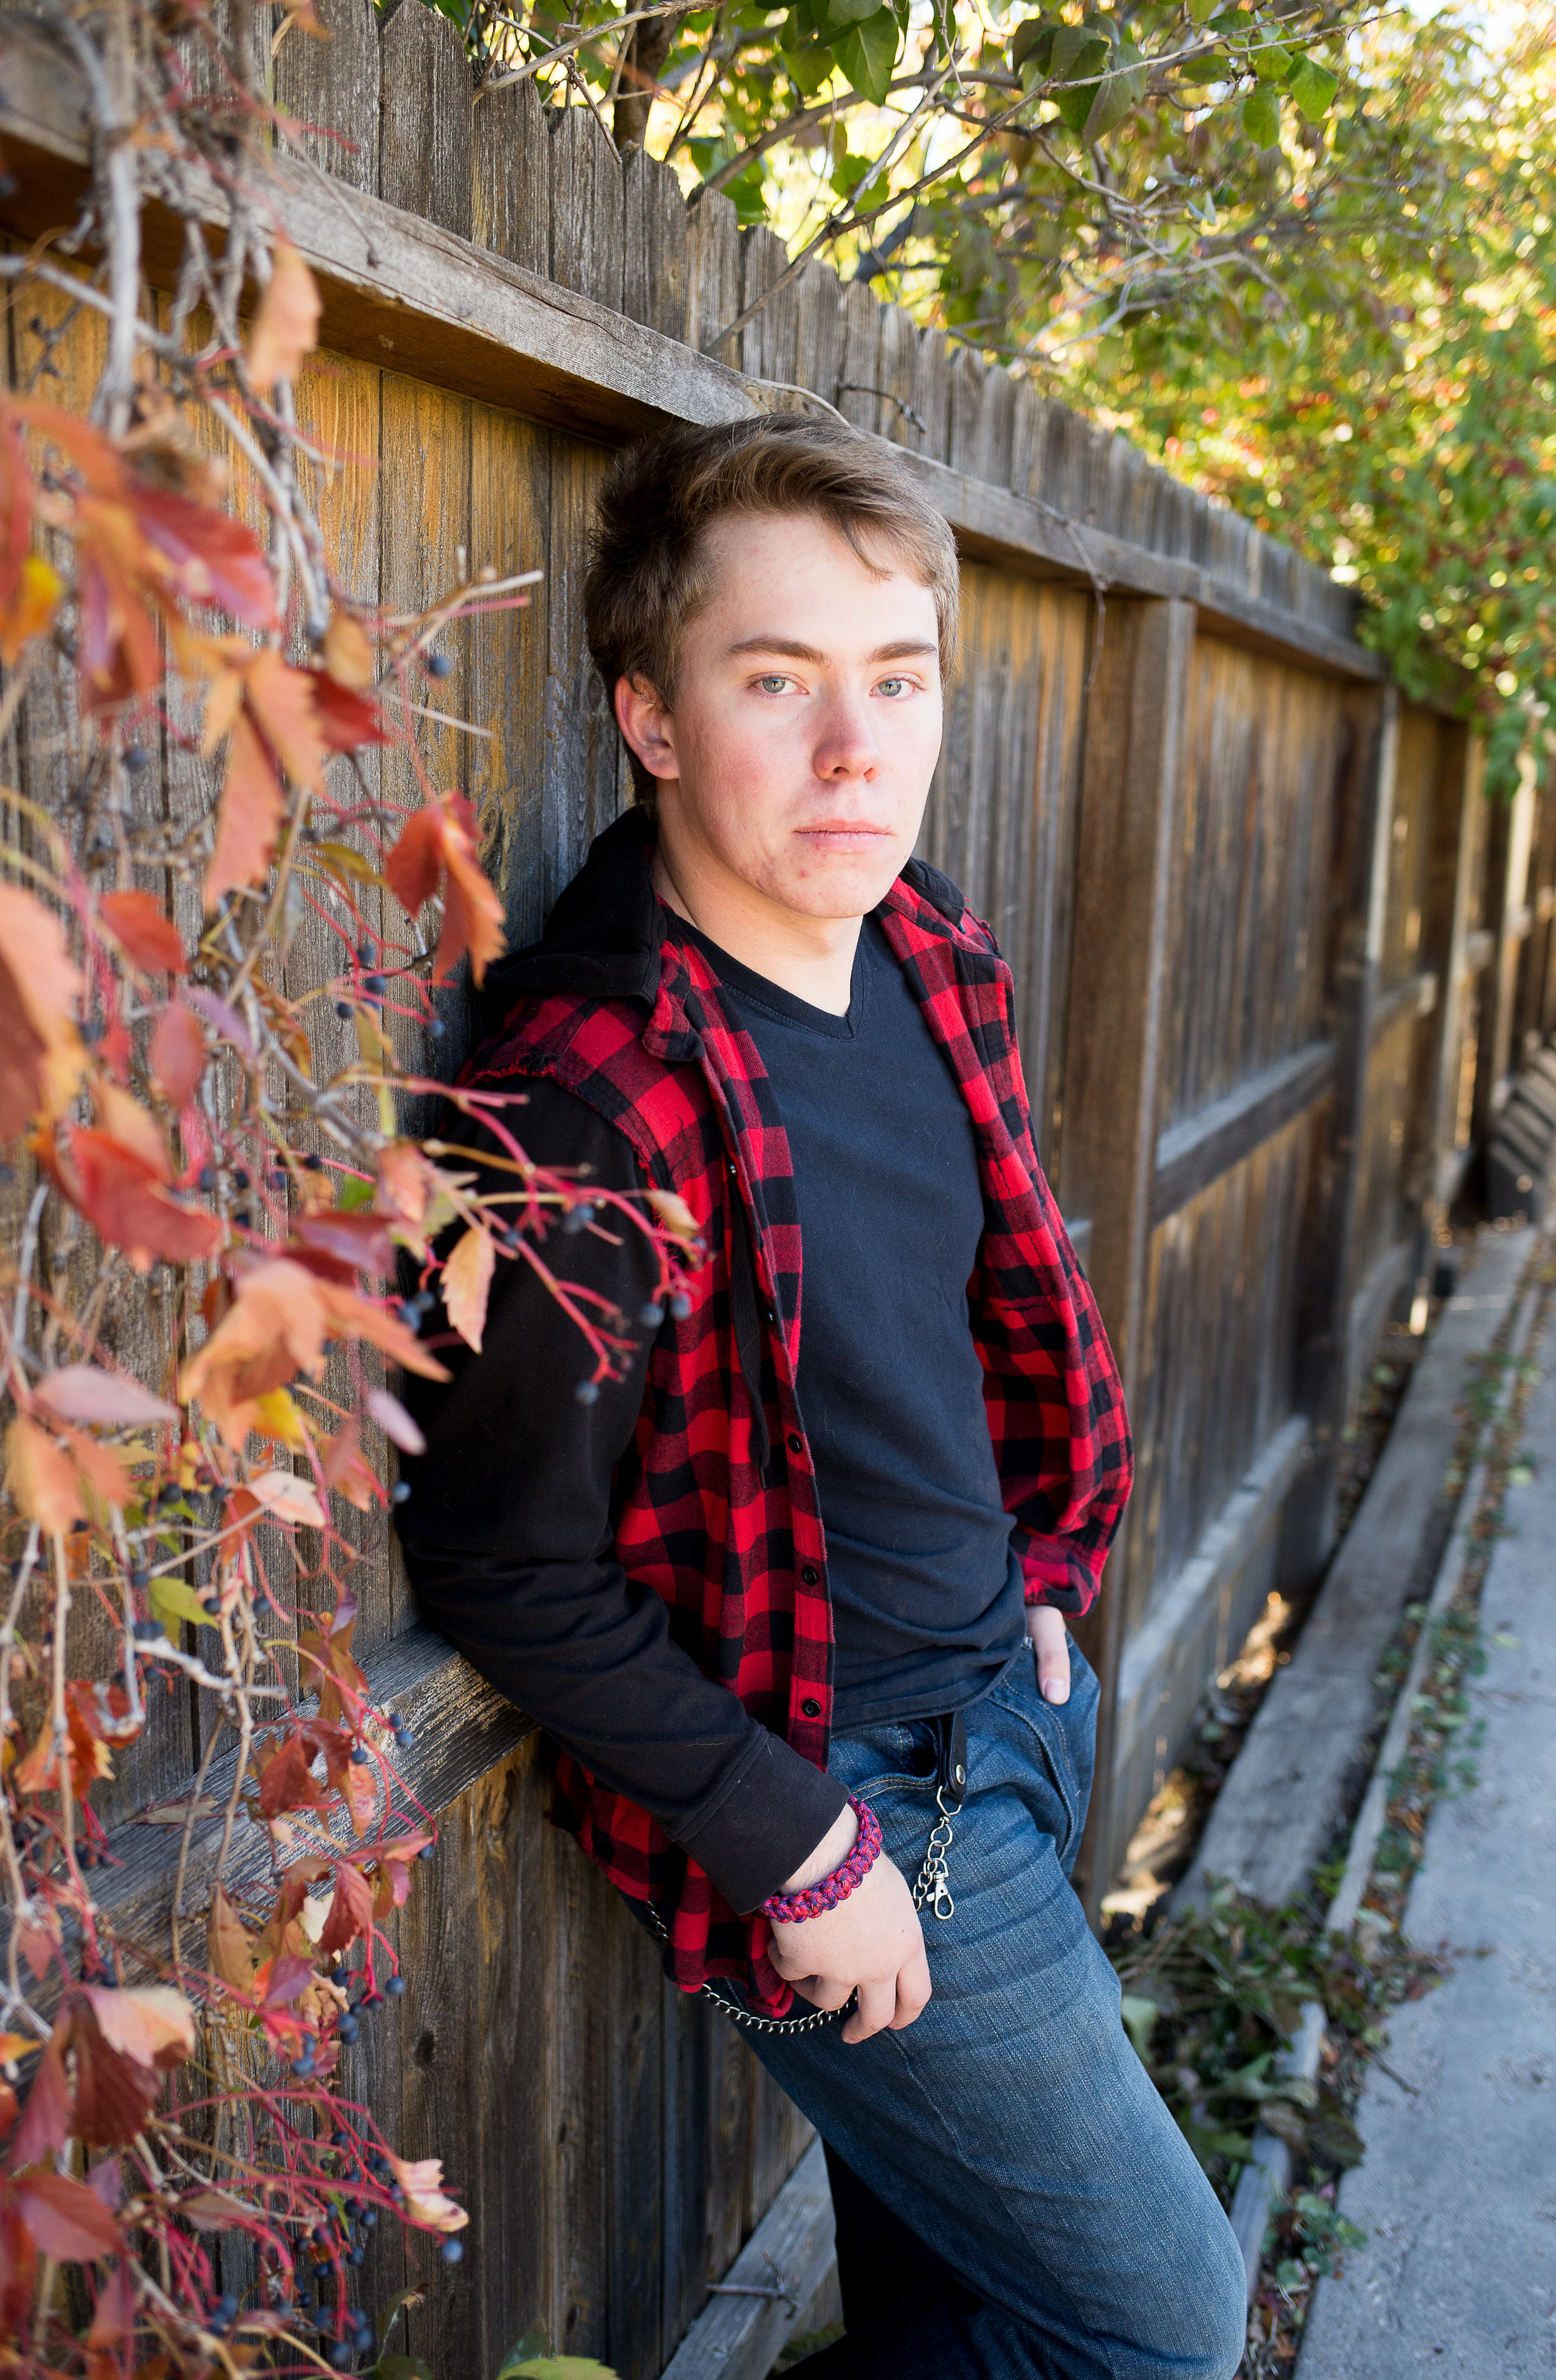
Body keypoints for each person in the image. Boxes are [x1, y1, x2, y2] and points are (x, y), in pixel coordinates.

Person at [395, 414, 1247, 2380]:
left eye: (894, 679)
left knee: (967, 2294)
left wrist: (1044, 1582)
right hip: (850, 1802)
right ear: (654, 719)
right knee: (1159, 2330)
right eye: (777, 683)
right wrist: (799, 1840)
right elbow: (497, 1560)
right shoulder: (589, 1102)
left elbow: (979, 1323)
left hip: (1013, 1710)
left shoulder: (926, 949)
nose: (855, 749)